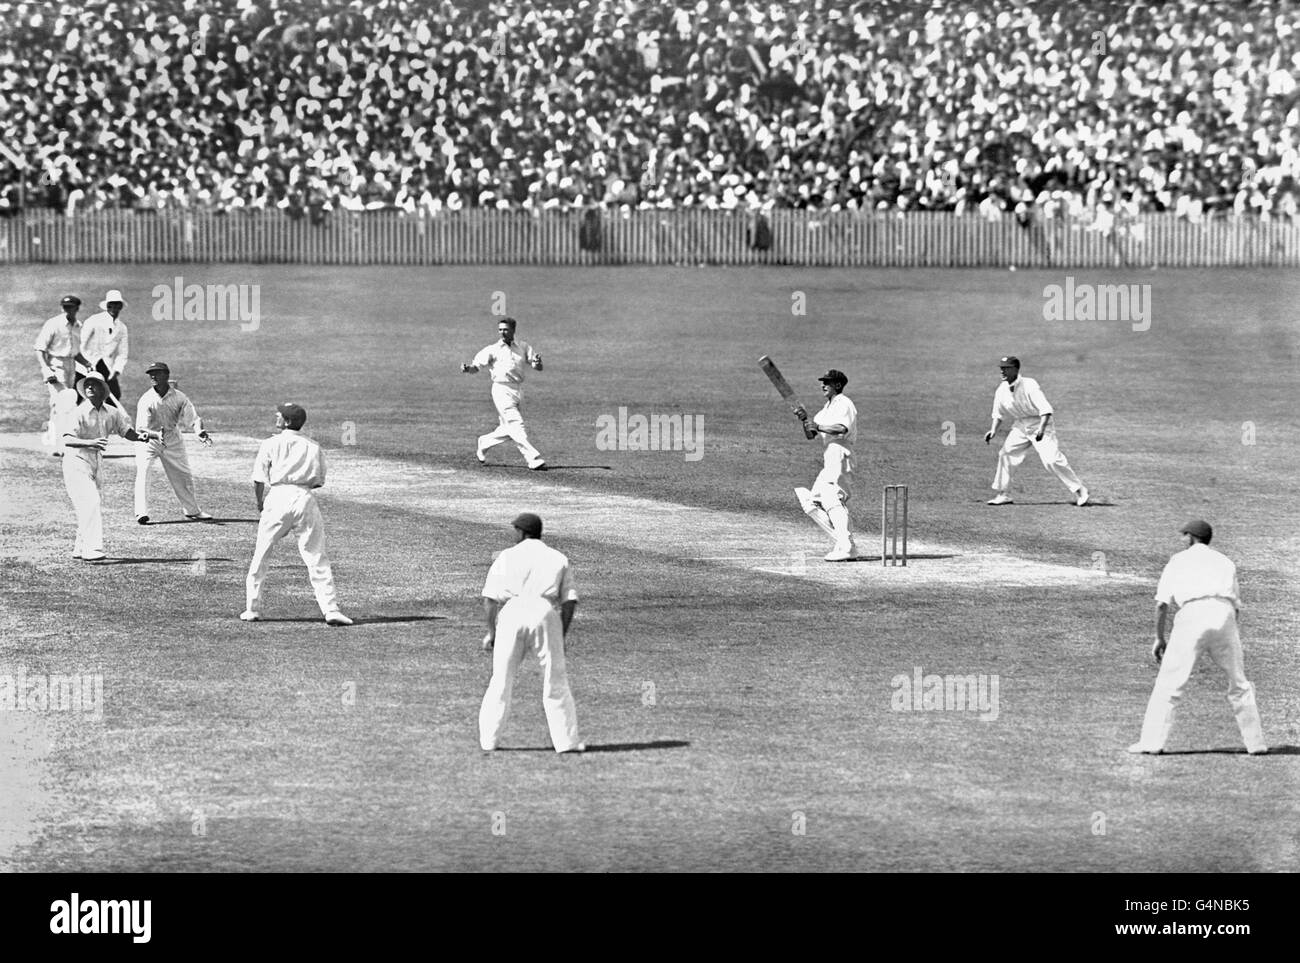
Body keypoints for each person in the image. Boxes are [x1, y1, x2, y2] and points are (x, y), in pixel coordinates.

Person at [1129, 520, 1268, 756]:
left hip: (1193, 615)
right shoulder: (1225, 561)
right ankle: (1256, 744)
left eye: (1183, 535)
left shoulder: (1178, 560)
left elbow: (1162, 604)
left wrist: (1159, 638)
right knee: (1240, 682)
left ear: (1191, 537)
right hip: (1225, 618)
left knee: (1169, 684)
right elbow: (1236, 607)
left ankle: (1151, 743)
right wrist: (1229, 636)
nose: (1181, 539)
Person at [478, 512, 584, 753]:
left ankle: (489, 740)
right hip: (544, 612)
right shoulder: (557, 557)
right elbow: (569, 602)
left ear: (522, 532)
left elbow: (490, 600)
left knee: (500, 680)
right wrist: (561, 634)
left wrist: (491, 632)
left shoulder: (506, 556)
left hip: (512, 612)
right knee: (556, 680)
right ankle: (566, 742)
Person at [242, 403, 352, 626]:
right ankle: (331, 610)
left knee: (261, 553)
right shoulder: (313, 445)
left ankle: (252, 609)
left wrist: (259, 502)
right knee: (316, 555)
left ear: (288, 422)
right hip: (305, 497)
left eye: (280, 415)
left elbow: (258, 478)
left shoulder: (271, 443)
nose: (276, 416)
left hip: (278, 496)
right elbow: (319, 480)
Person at [59, 372, 157, 561]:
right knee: (91, 502)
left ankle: (80, 547)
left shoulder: (112, 412)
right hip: (75, 462)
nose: (89, 387)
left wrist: (140, 437)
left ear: (103, 390)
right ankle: (92, 550)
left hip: (96, 463)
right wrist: (90, 443)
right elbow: (67, 440)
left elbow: (125, 431)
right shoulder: (78, 412)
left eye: (93, 384)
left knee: (88, 506)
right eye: (87, 384)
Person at [983, 356, 1089, 506]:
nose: (1002, 371)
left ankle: (1080, 490)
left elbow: (1045, 409)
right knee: (1006, 454)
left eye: (1006, 368)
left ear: (1015, 369)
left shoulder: (1029, 384)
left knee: (1051, 460)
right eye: (1001, 368)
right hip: (1021, 425)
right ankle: (1003, 494)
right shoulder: (1001, 390)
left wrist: (1041, 429)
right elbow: (998, 414)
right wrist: (993, 430)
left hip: (1040, 423)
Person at [460, 317, 547, 470]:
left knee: (508, 429)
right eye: (500, 329)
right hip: (501, 389)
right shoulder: (492, 349)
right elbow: (476, 367)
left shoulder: (523, 346)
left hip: (518, 389)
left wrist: (537, 363)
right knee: (516, 424)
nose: (502, 332)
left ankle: (484, 442)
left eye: (505, 329)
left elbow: (536, 366)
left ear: (513, 330)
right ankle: (533, 458)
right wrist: (468, 369)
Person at [133, 361, 213, 524]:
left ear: (166, 376)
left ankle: (192, 511)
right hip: (148, 441)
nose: (153, 376)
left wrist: (199, 431)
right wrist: (156, 435)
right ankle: (141, 513)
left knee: (182, 474)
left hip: (172, 439)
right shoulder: (146, 399)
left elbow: (194, 419)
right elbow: (141, 428)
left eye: (157, 373)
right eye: (151, 374)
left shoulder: (179, 397)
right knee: (143, 472)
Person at [793, 369, 860, 561]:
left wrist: (818, 426)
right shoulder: (826, 408)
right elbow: (810, 434)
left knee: (832, 498)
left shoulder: (844, 403)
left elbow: (841, 428)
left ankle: (846, 546)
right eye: (823, 382)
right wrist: (805, 419)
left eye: (827, 382)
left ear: (837, 385)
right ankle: (845, 544)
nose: (823, 385)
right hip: (829, 454)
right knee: (812, 502)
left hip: (841, 451)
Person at [35, 295, 91, 444]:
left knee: (64, 401)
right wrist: (46, 369)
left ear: (77, 308)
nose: (67, 310)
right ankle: (59, 440)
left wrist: (86, 363)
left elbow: (75, 352)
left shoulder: (78, 325)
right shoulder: (53, 323)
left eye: (70, 307)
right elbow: (40, 349)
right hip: (55, 365)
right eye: (65, 307)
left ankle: (52, 436)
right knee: (61, 402)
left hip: (71, 366)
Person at [79, 289, 130, 401]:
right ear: (106, 306)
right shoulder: (93, 320)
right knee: (78, 395)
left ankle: (108, 418)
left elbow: (123, 353)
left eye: (117, 305)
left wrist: (116, 370)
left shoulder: (122, 328)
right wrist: (85, 364)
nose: (114, 308)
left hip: (106, 366)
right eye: (111, 305)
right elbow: (81, 344)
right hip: (86, 364)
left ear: (120, 307)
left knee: (114, 395)